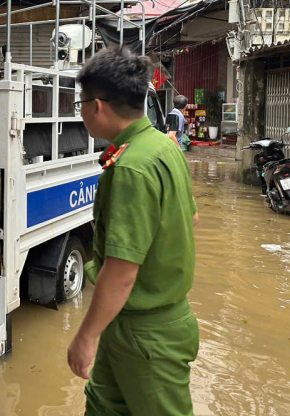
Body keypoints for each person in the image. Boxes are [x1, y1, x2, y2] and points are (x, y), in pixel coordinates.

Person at [67, 47, 200, 415]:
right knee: (103, 405)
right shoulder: (163, 145)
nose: (81, 111)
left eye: (81, 103)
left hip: (147, 335)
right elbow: (191, 219)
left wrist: (85, 337)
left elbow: (122, 273)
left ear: (97, 106)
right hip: (134, 323)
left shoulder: (131, 168)